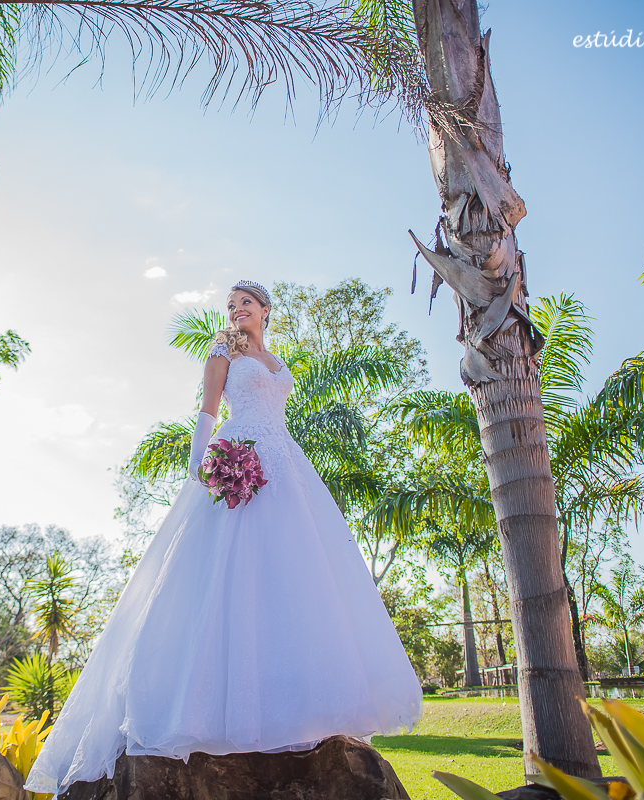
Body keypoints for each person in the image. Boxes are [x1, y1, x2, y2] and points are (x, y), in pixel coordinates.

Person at [24, 280, 422, 795]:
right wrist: (202, 465)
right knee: (225, 573)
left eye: (245, 304)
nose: (236, 312)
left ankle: (298, 707)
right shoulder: (221, 350)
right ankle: (202, 708)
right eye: (231, 305)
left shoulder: (275, 358)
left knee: (297, 575)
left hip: (286, 466)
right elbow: (209, 410)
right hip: (241, 459)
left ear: (265, 311)